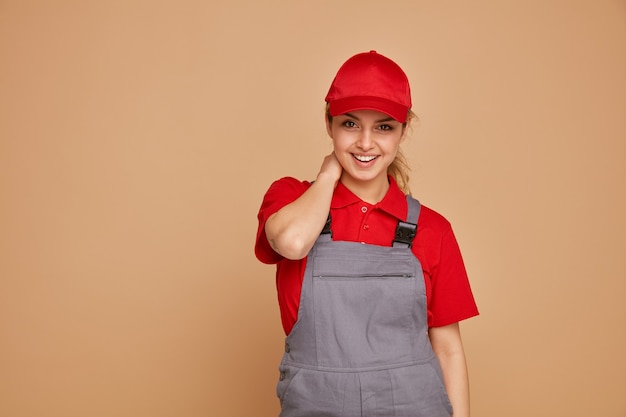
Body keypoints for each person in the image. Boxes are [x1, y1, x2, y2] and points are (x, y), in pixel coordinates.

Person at [255, 50, 479, 417]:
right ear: (329, 125)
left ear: (403, 131)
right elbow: (293, 244)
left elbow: (449, 349)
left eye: (383, 127)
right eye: (350, 124)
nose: (365, 143)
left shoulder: (432, 229)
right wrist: (328, 176)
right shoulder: (291, 199)